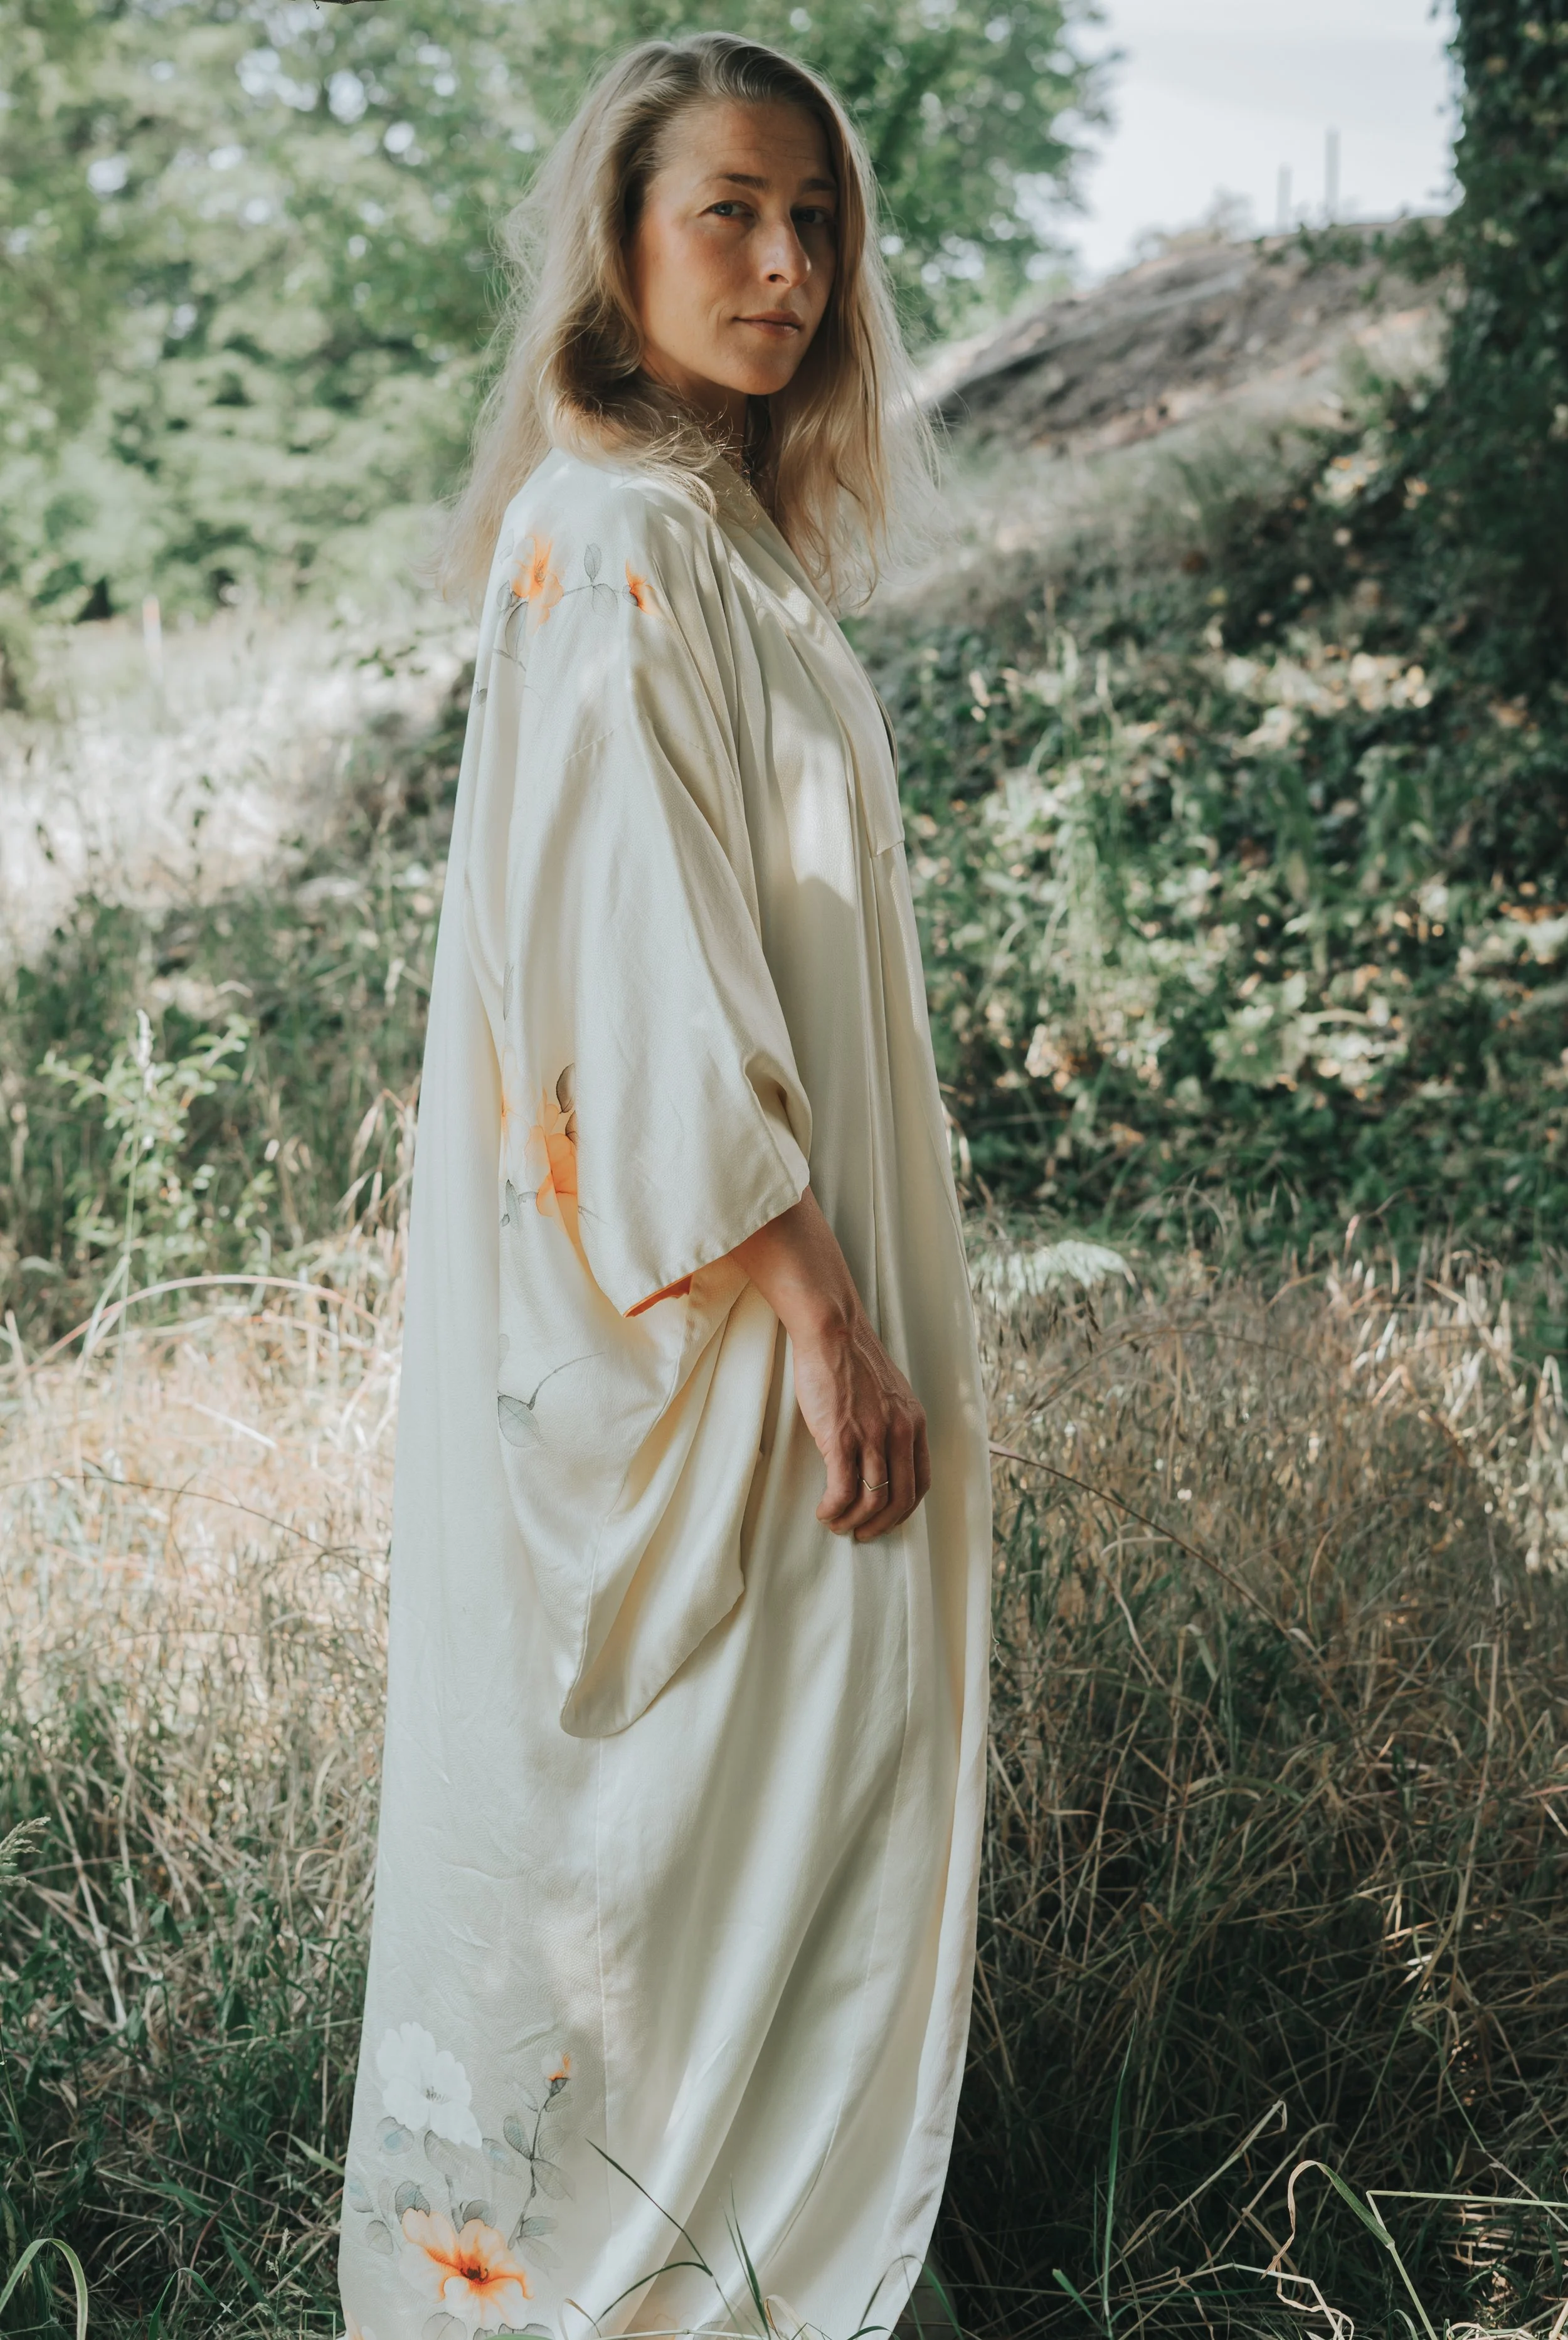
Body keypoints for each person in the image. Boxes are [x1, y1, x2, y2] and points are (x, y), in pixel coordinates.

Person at [337, 34, 990, 2340]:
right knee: (683, 1807)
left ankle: (753, 2269)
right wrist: (817, 1312)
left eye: (816, 218)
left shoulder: (711, 540)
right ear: (618, 246)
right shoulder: (610, 533)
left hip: (760, 1260)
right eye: (730, 209)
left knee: (769, 1801)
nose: (787, 262)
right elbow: (632, 981)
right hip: (707, 1300)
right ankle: (625, 2294)